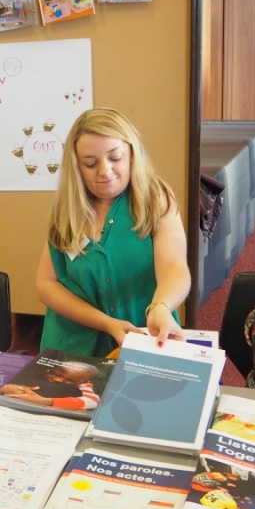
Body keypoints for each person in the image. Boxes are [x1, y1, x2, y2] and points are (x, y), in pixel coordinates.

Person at [36, 107, 191, 357]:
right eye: (90, 163)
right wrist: (107, 323)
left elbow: (174, 267)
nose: (105, 171)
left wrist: (161, 306)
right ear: (77, 167)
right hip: (74, 345)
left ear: (132, 155)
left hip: (142, 337)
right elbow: (46, 285)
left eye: (115, 157)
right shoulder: (67, 209)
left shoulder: (154, 197)